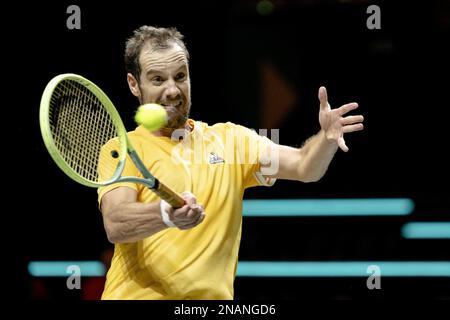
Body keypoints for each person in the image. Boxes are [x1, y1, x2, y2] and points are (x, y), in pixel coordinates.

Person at [97, 25, 364, 300]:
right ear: (134, 84)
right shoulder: (122, 149)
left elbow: (304, 167)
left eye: (180, 76)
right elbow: (116, 223)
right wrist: (166, 214)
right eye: (157, 79)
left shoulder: (232, 142)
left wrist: (326, 138)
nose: (172, 90)